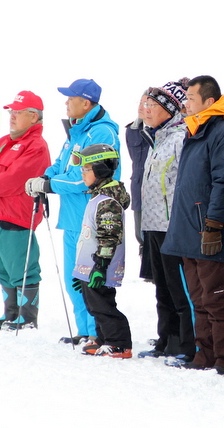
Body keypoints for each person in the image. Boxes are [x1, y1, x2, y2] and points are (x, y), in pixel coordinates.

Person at [25, 78, 120, 345]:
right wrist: (44, 177)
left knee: (91, 279)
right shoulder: (78, 131)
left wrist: (49, 184)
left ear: (86, 102)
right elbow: (61, 165)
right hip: (71, 217)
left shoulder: (102, 132)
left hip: (91, 217)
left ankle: (97, 332)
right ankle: (85, 331)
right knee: (73, 280)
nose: (66, 103)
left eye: (70, 98)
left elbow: (82, 178)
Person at [161, 75, 224, 375]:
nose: (185, 103)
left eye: (191, 98)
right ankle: (205, 355)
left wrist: (213, 225)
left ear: (209, 101)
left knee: (218, 298)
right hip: (189, 231)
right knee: (199, 299)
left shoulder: (222, 133)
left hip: (209, 232)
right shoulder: (195, 130)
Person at [136, 79, 196, 361]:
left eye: (153, 105)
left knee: (179, 288)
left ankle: (188, 345)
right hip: (153, 225)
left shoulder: (181, 137)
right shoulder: (157, 137)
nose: (145, 110)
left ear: (170, 109)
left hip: (173, 227)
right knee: (162, 288)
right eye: (146, 104)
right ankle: (167, 340)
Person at [0, 91, 50, 330]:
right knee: (0, 267)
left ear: (34, 117)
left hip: (18, 218)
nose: (12, 116)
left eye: (18, 112)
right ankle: (10, 313)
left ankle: (27, 317)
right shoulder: (3, 142)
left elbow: (15, 179)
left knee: (22, 268)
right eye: (11, 111)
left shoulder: (36, 146)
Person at [70, 144, 132, 358]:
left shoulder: (107, 202)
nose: (82, 173)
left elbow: (109, 237)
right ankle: (104, 339)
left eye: (86, 169)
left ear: (101, 170)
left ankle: (119, 343)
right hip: (92, 266)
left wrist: (99, 267)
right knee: (94, 305)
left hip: (101, 266)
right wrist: (82, 270)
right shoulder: (97, 197)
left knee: (103, 305)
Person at [124, 90, 149, 257]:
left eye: (147, 104)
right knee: (140, 235)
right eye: (140, 103)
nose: (141, 107)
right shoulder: (132, 130)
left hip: (157, 193)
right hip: (138, 190)